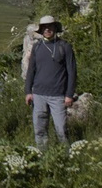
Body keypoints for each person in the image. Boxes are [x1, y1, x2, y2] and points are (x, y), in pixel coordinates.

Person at [25, 15, 77, 146]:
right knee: (40, 130)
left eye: (50, 27)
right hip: (38, 94)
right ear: (41, 30)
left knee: (61, 129)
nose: (47, 30)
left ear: (55, 28)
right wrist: (28, 92)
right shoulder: (37, 47)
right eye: (44, 27)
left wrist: (69, 95)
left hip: (58, 95)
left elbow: (72, 72)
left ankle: (66, 157)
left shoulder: (64, 46)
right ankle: (43, 157)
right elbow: (31, 71)